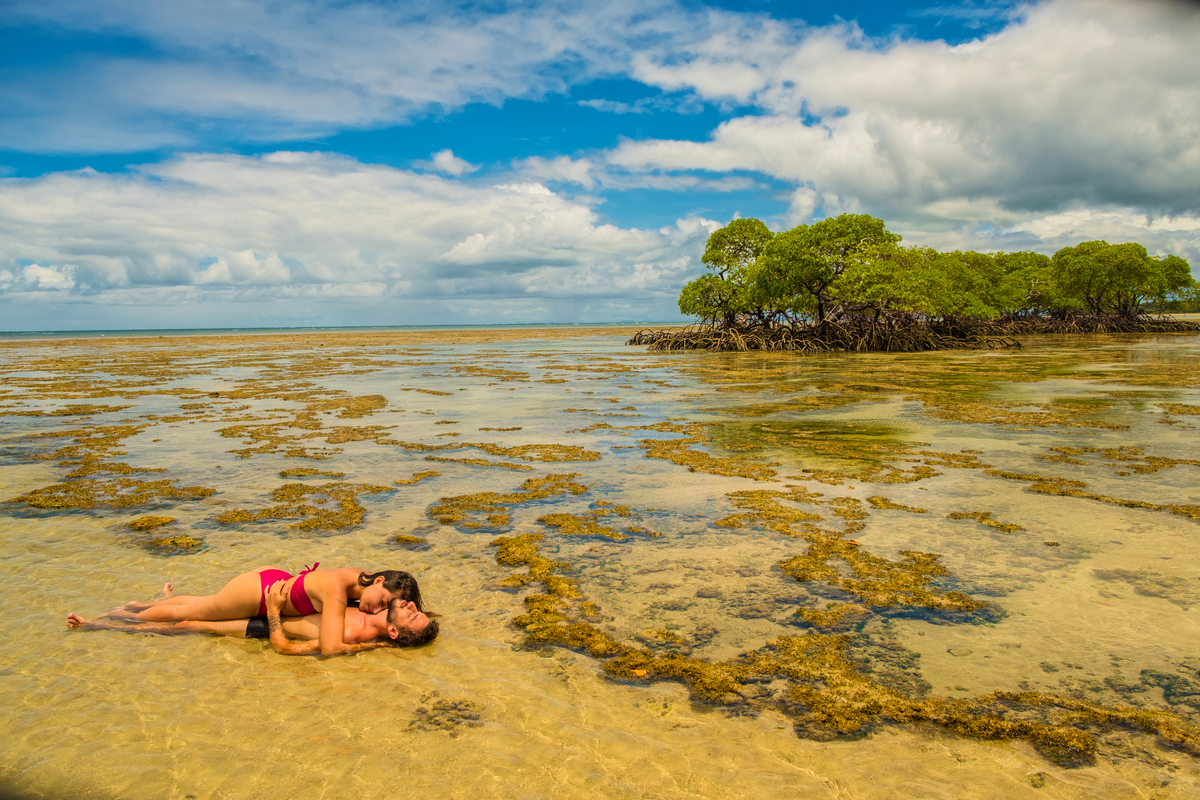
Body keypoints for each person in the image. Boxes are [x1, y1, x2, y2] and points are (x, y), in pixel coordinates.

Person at [114, 565, 433, 655]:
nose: (379, 607)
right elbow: (332, 645)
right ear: (378, 580)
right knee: (196, 611)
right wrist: (372, 645)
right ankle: (121, 617)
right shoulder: (338, 592)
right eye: (383, 601)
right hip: (259, 594)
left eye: (386, 607)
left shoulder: (353, 579)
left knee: (202, 604)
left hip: (270, 582)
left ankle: (139, 606)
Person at [68, 589, 439, 655]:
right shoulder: (373, 608)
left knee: (188, 624)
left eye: (412, 613)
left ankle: (101, 626)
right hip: (271, 610)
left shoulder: (352, 643)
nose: (408, 605)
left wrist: (275, 611)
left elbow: (286, 649)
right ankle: (137, 606)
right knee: (200, 602)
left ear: (394, 632)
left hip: (262, 626)